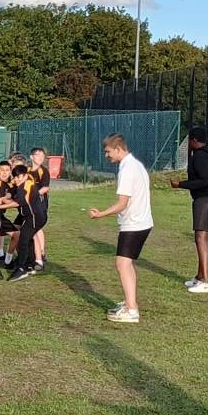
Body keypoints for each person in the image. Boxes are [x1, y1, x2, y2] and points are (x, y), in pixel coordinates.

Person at [90, 134, 153, 324]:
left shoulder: (127, 169)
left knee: (122, 264)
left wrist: (100, 214)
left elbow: (122, 203)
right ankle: (129, 303)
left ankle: (132, 310)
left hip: (134, 224)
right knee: (126, 263)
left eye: (108, 151)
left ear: (118, 149)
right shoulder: (136, 165)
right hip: (141, 222)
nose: (106, 155)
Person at [170, 127, 208, 292]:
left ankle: (207, 281)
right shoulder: (207, 154)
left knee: (201, 236)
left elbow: (206, 180)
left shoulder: (200, 156)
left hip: (206, 198)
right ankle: (200, 276)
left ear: (194, 141)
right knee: (203, 236)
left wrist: (181, 184)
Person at [27, 147, 51, 269]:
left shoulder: (44, 171)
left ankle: (41, 252)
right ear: (31, 157)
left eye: (43, 155)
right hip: (29, 204)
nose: (41, 157)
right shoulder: (27, 171)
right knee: (34, 227)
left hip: (40, 203)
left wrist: (33, 196)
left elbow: (45, 188)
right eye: (38, 155)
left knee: (37, 227)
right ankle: (37, 253)